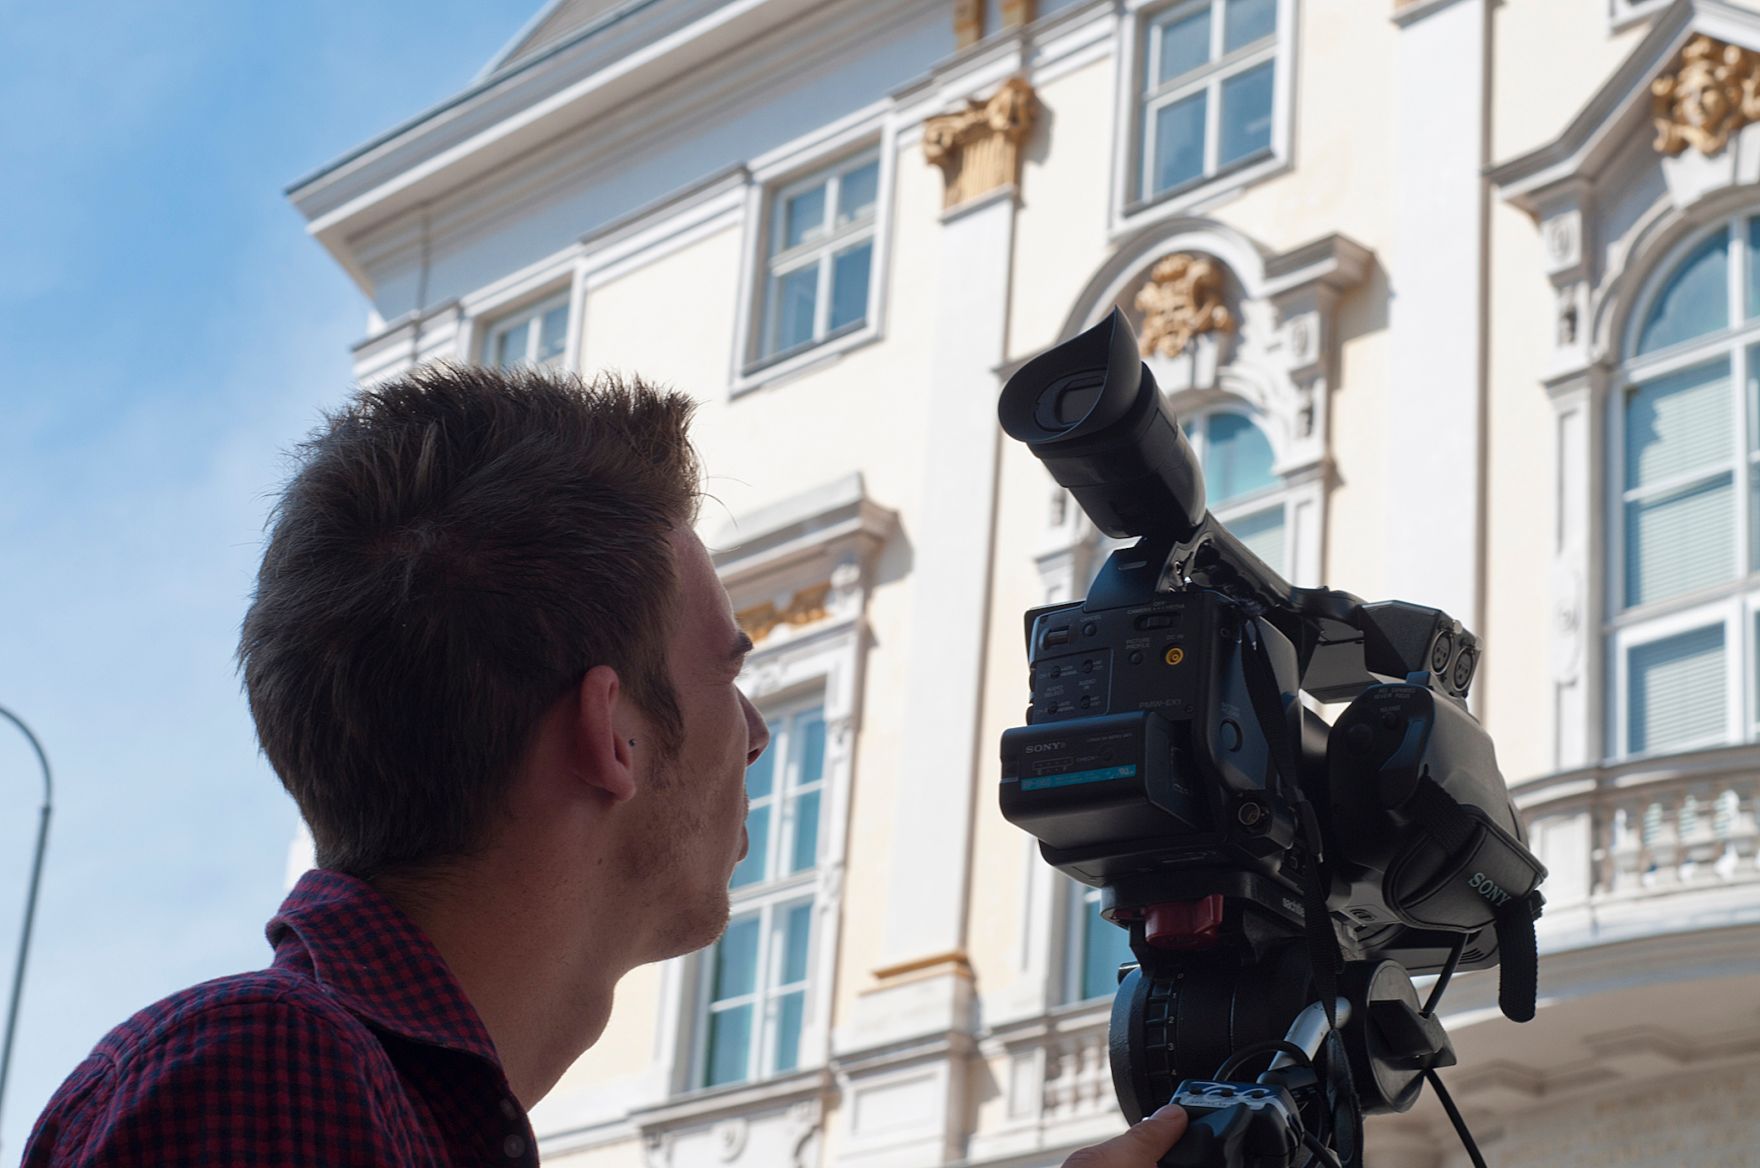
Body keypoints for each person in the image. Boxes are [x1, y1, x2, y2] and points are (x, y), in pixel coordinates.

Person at [22, 365, 1188, 1166]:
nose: (758, 734)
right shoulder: (274, 1078)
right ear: (613, 733)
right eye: (729, 675)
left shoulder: (370, 1095)